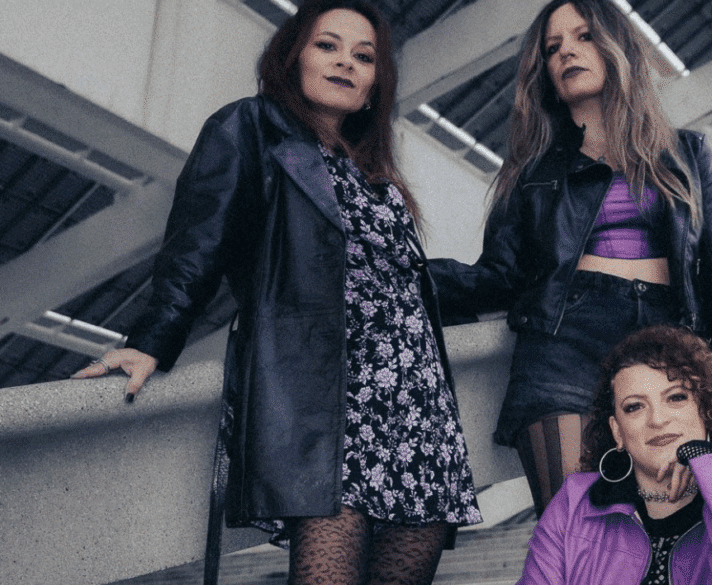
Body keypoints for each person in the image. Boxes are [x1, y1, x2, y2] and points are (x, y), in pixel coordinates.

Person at [430, 1, 712, 583]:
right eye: (552, 48)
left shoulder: (690, 154)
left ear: (616, 46)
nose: (567, 52)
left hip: (671, 349)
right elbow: (497, 277)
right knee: (588, 535)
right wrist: (401, 273)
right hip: (563, 350)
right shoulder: (533, 173)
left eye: (582, 36)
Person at [72, 2, 481, 583]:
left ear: (375, 87)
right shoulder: (249, 127)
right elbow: (200, 238)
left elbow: (403, 280)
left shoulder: (374, 174)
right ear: (292, 59)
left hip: (420, 409)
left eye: (364, 57)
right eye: (327, 46)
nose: (346, 62)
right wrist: (153, 339)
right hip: (332, 405)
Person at [519, 325, 712, 584]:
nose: (658, 420)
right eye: (635, 407)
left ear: (705, 411)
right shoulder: (574, 502)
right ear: (618, 431)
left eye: (676, 398)